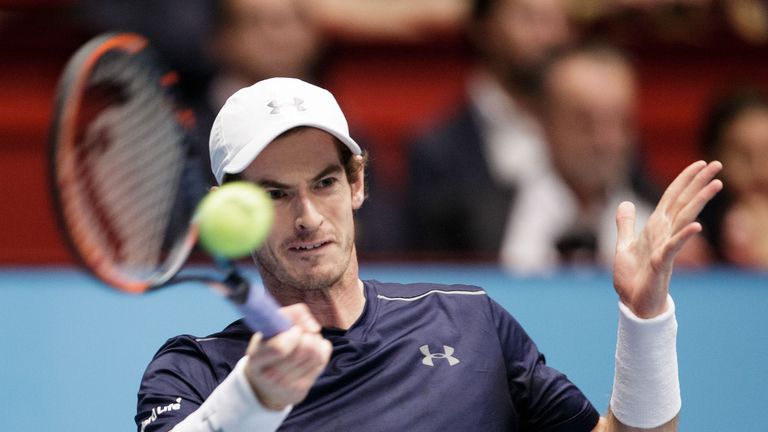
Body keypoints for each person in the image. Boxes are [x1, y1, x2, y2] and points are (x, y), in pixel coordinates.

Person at [136, 77, 723, 431]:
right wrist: (253, 398)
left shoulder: (471, 323)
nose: (308, 217)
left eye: (324, 183)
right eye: (273, 196)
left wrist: (645, 321)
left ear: (357, 182)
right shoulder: (197, 373)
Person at [406, 0, 575, 257]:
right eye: (529, 18)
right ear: (483, 28)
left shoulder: (598, 130)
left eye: (557, 19)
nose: (549, 36)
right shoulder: (437, 150)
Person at [499, 43, 661, 273]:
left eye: (622, 122)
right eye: (585, 123)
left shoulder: (663, 219)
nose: (608, 141)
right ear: (544, 122)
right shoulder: (477, 217)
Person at [698, 87, 768, 268]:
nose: (759, 169)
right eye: (741, 155)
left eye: (767, 152)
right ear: (712, 158)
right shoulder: (692, 231)